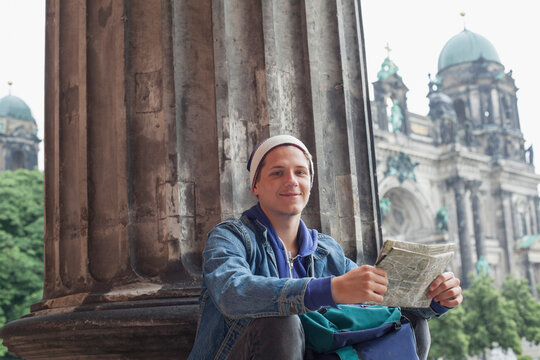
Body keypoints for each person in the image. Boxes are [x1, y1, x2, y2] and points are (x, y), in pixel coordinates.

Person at [188, 134, 463, 360]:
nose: (292, 181)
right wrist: (328, 289)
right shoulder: (230, 236)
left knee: (412, 323)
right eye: (277, 173)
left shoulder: (327, 250)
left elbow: (382, 303)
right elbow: (232, 293)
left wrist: (434, 301)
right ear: (256, 185)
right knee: (281, 321)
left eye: (300, 172)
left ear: (310, 183)